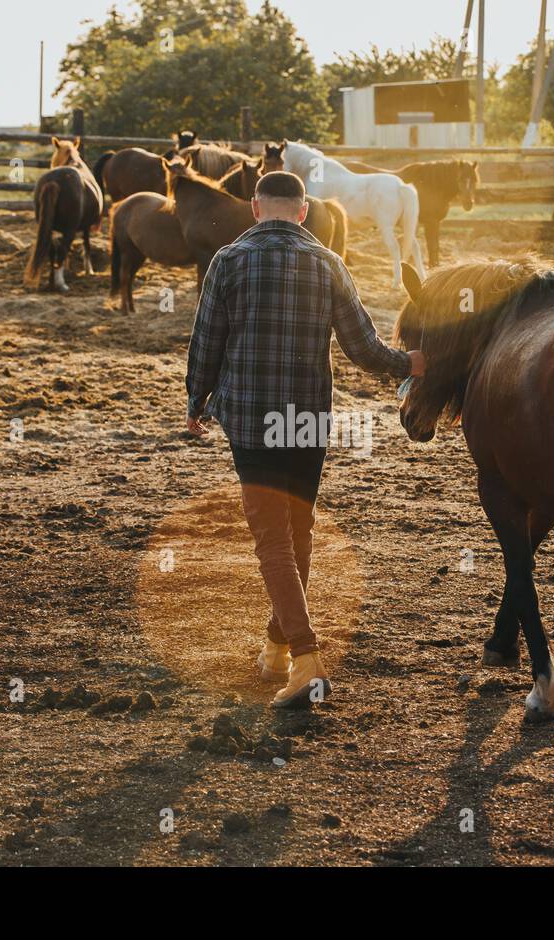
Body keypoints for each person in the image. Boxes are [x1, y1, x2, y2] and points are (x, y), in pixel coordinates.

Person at [185, 170, 425, 708]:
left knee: (272, 538)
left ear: (254, 208)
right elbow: (363, 348)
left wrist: (195, 400)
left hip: (249, 417)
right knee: (299, 529)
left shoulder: (226, 262)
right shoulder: (328, 263)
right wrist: (410, 363)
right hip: (308, 417)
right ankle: (276, 646)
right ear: (302, 211)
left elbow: (206, 341)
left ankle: (307, 658)